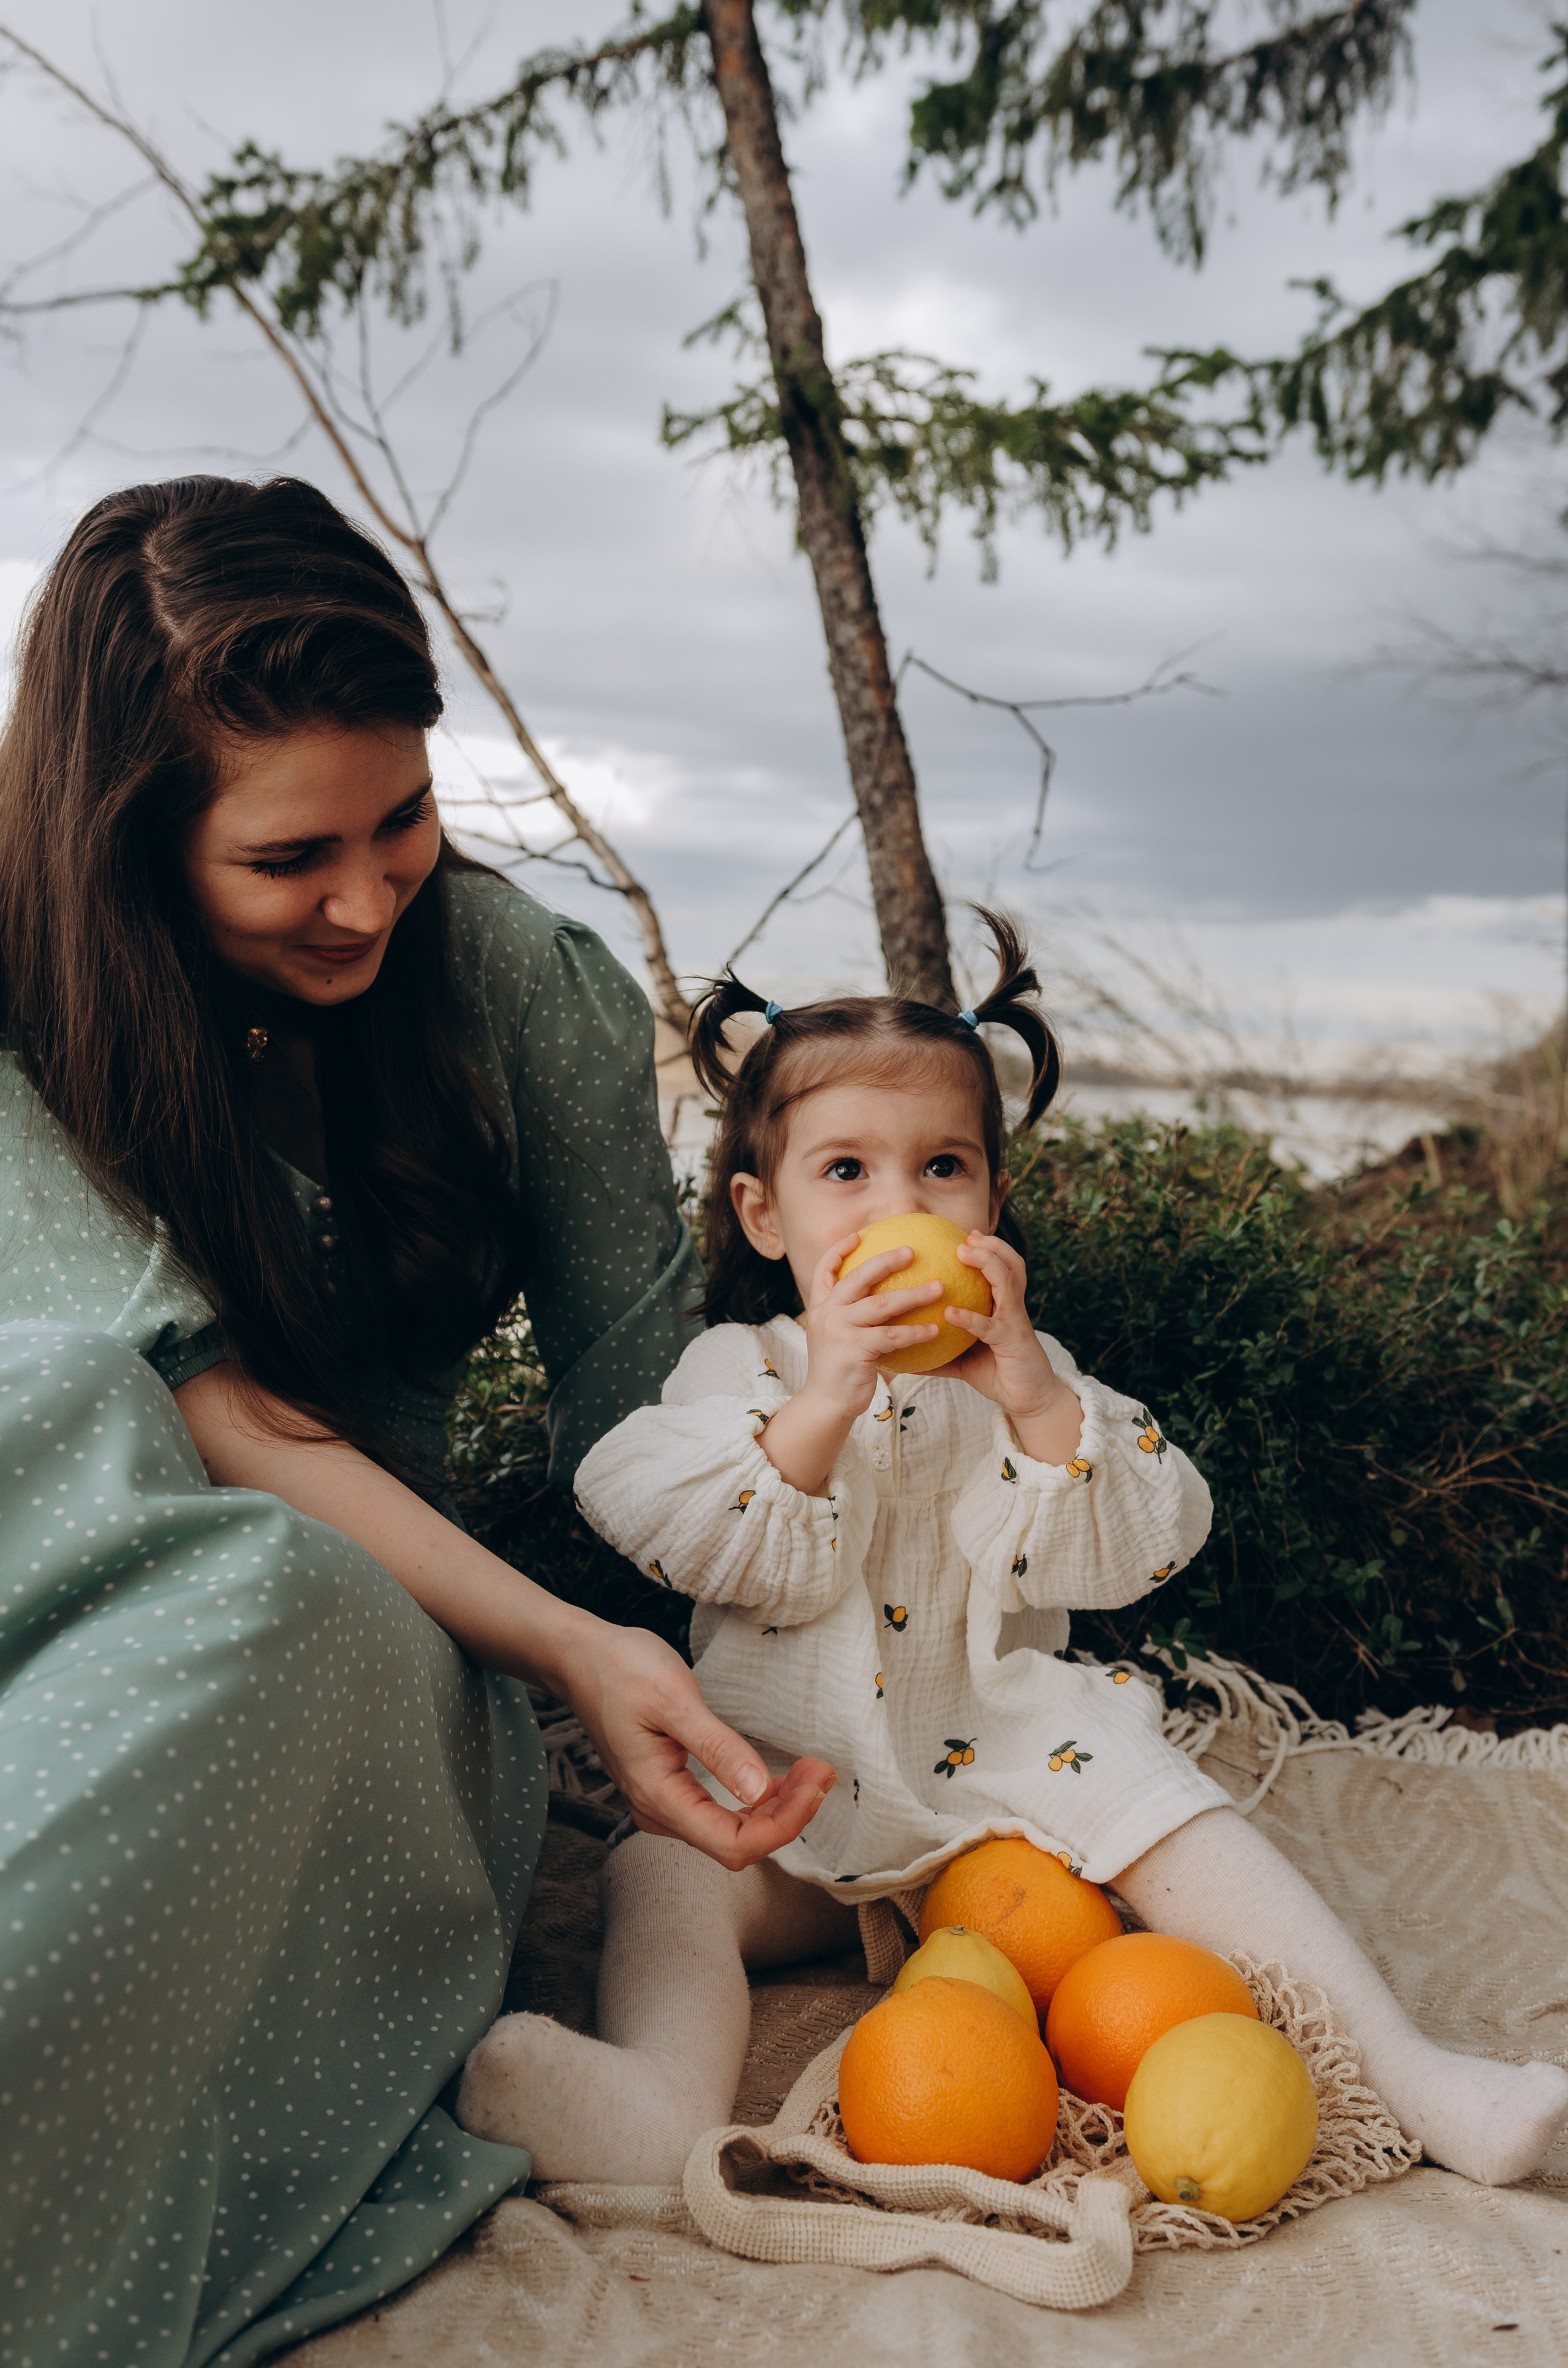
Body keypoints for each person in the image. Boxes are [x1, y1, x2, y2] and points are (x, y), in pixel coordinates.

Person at [0, 474, 831, 2368]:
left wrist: (829, 1492)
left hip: (340, 1632)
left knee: (283, 1599)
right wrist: (570, 1644)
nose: (370, 895)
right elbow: (189, 1412)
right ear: (129, 844)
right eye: (291, 858)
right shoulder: (18, 989)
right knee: (68, 1392)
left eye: (406, 818)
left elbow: (649, 1447)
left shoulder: (516, 986)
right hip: (52, 1523)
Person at [458, 917, 1568, 2192]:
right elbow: (673, 1525)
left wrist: (1040, 1403)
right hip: (792, 1804)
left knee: (1174, 1818)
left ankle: (1412, 2071)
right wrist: (820, 1403)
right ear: (763, 1216)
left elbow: (1141, 1542)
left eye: (942, 1167)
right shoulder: (741, 1371)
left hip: (1005, 1792)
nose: (900, 1208)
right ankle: (657, 2095)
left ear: (989, 1198)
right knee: (664, 1872)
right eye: (846, 1173)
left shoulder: (1025, 1384)